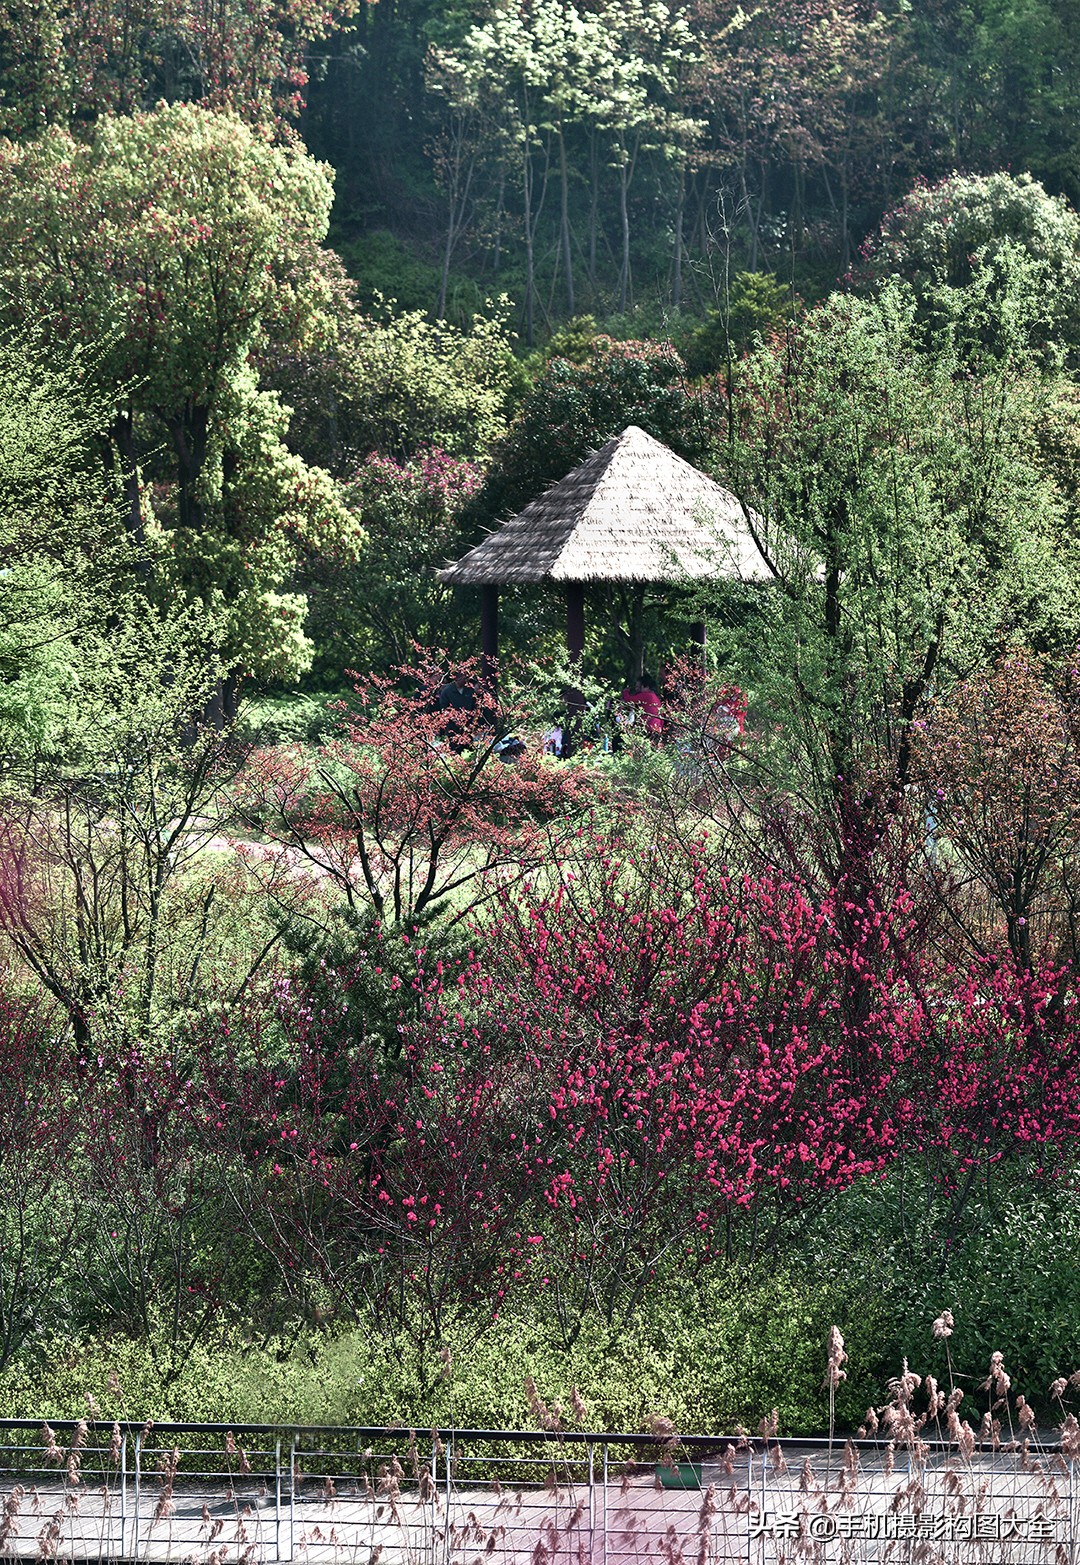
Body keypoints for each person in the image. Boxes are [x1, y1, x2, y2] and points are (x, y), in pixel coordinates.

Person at [437, 669, 476, 751]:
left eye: (467, 678)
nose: (466, 681)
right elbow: (444, 708)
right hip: (452, 726)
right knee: (455, 749)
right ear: (457, 679)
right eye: (463, 679)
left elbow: (474, 706)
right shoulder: (447, 691)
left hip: (468, 725)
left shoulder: (470, 690)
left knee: (469, 750)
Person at [620, 672, 664, 738]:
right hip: (657, 727)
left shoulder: (647, 695)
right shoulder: (656, 698)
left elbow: (629, 699)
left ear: (646, 687)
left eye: (641, 687)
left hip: (649, 727)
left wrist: (625, 692)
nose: (639, 690)